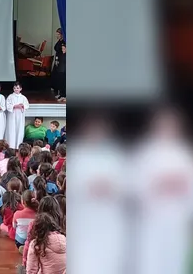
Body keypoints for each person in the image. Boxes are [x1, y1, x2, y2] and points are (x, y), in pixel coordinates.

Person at [134, 107, 193, 274]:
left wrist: (180, 184)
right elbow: (135, 184)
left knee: (177, 258)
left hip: (179, 218)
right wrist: (160, 183)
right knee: (151, 260)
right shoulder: (146, 152)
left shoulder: (187, 154)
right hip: (152, 218)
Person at [73, 114, 127, 274]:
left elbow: (127, 182)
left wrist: (109, 187)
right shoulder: (80, 156)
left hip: (110, 214)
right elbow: (76, 183)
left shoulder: (116, 157)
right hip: (88, 214)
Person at [6, 82, 30, 149]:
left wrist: (23, 106)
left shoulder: (23, 97)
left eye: (18, 88)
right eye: (15, 88)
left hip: (20, 116)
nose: (16, 89)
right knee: (12, 129)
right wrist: (14, 106)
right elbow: (8, 105)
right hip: (12, 116)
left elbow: (27, 105)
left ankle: (18, 146)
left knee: (19, 130)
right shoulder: (10, 97)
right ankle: (11, 146)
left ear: (20, 89)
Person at [50, 28, 64, 96]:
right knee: (55, 74)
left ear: (62, 35)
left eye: (58, 34)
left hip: (61, 60)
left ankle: (61, 92)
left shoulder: (63, 42)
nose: (57, 36)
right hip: (57, 59)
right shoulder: (59, 41)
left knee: (60, 76)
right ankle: (57, 90)